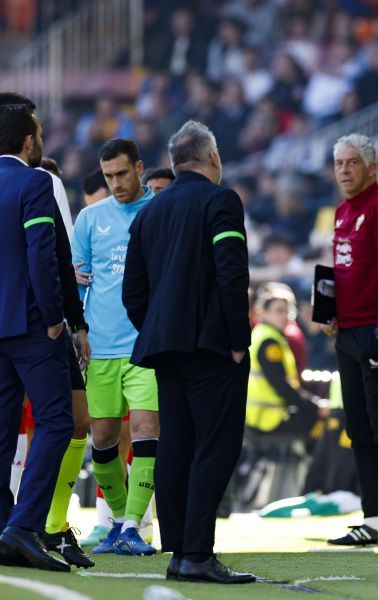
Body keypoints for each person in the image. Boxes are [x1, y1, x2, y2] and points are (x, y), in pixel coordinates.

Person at [122, 120, 254, 584]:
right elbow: (231, 274)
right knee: (215, 446)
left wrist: (159, 330)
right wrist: (238, 340)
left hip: (165, 349)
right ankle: (197, 553)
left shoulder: (149, 213)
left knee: (175, 444)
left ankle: (180, 550)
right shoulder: (221, 200)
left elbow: (132, 293)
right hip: (213, 348)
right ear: (212, 158)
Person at [0, 92, 94, 568]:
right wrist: (62, 319)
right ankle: (22, 527)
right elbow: (45, 254)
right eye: (37, 132)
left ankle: (3, 528)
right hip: (34, 328)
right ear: (27, 139)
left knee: (1, 430)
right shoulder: (34, 182)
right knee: (57, 421)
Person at [71, 138, 159, 557]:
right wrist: (78, 327)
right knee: (102, 437)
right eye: (109, 176)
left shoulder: (158, 211)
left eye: (123, 173)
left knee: (145, 431)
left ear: (139, 167)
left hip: (145, 346)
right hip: (101, 346)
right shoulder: (90, 218)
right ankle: (120, 526)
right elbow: (77, 280)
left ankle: (134, 527)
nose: (116, 183)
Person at [323, 133, 378, 545]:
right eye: (339, 163)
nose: (343, 170)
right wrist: (327, 312)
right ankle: (373, 517)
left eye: (352, 162)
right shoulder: (340, 211)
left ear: (371, 167)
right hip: (346, 332)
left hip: (377, 332)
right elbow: (343, 272)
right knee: (357, 427)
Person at [246, 283, 322, 436]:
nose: (285, 316)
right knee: (326, 419)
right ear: (264, 313)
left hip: (260, 415)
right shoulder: (269, 342)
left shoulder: (262, 334)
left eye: (288, 311)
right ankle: (315, 460)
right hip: (269, 417)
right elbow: (282, 386)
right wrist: (315, 406)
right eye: (279, 311)